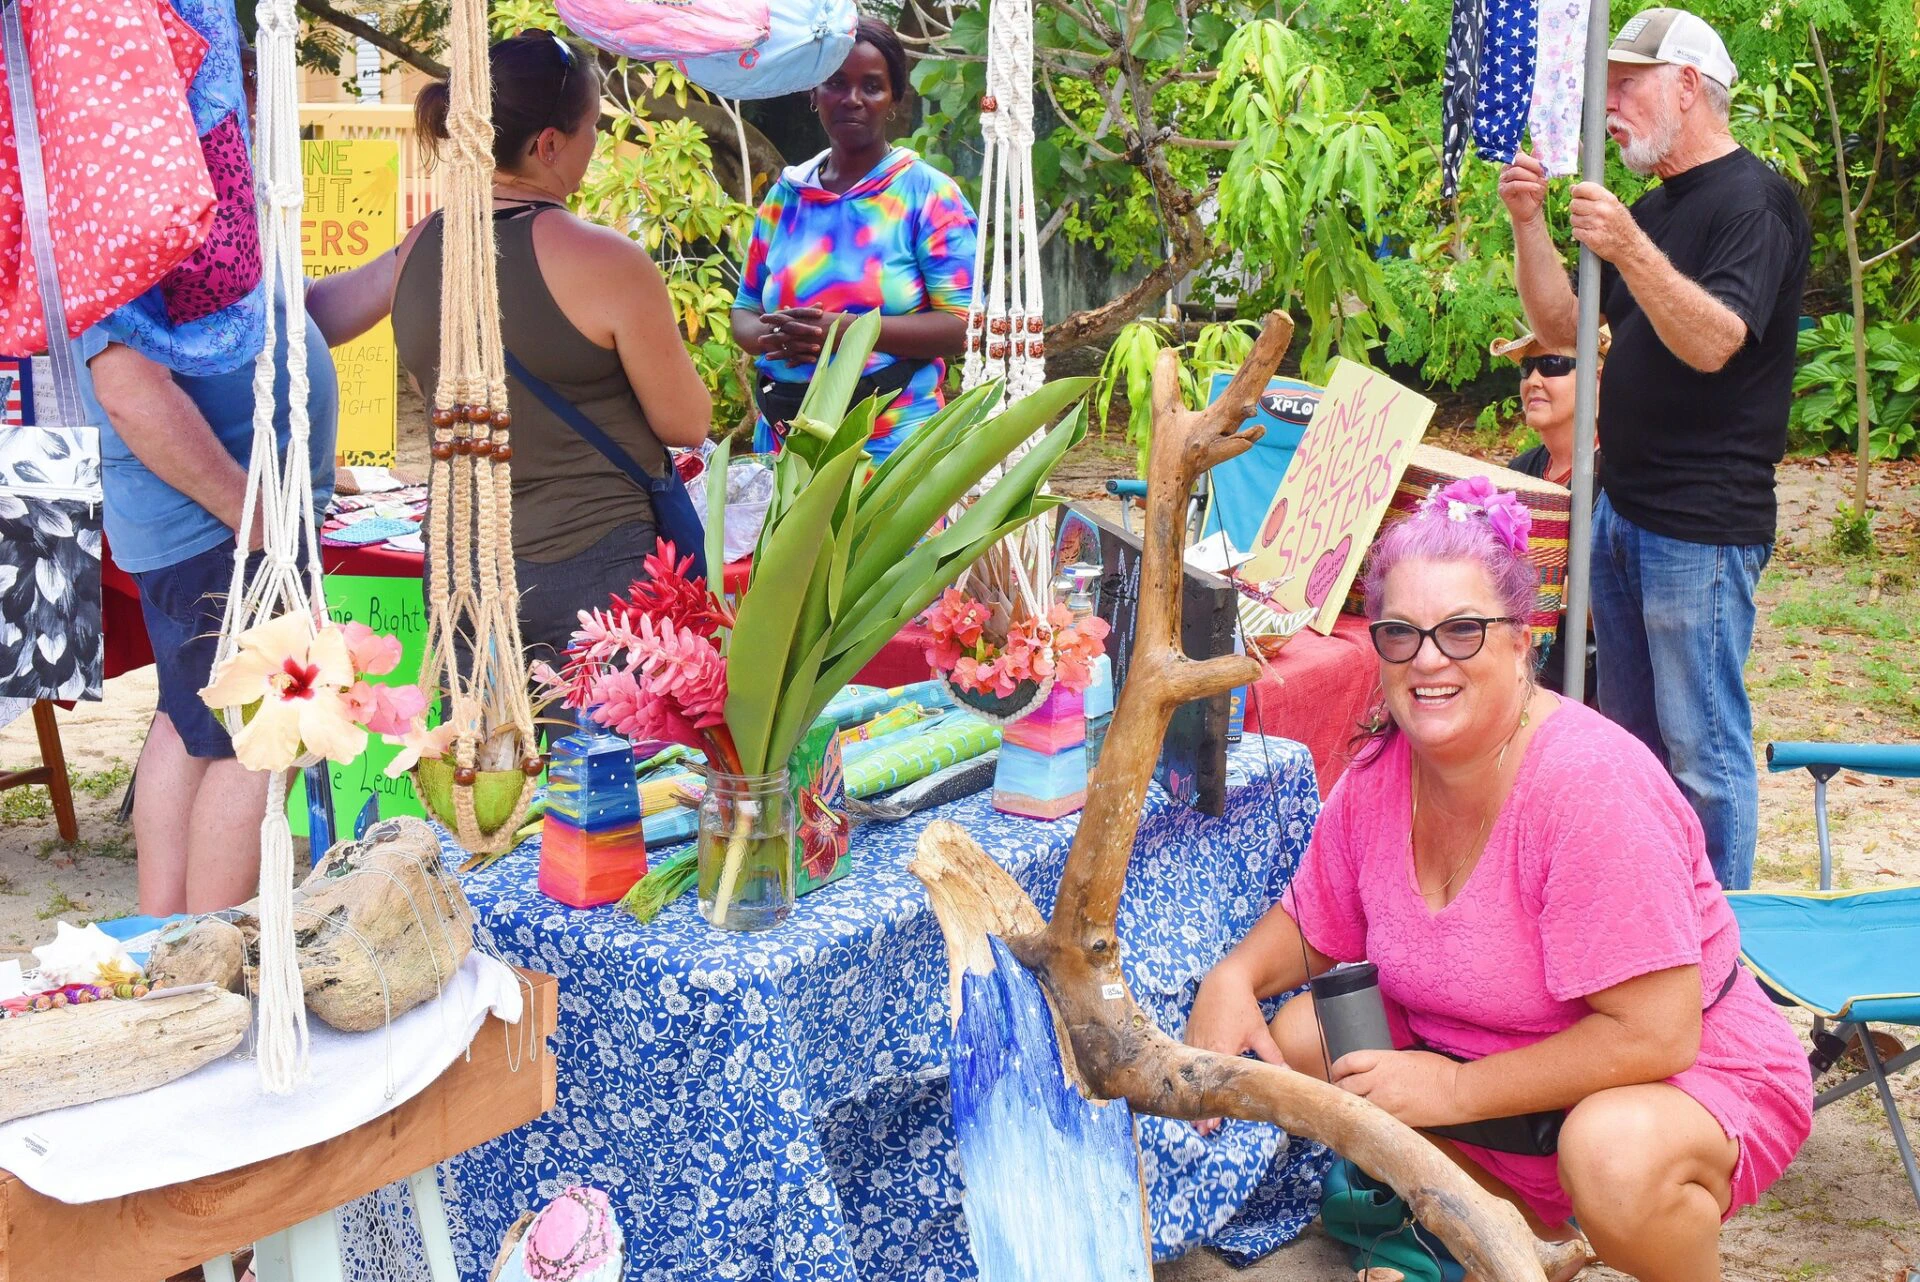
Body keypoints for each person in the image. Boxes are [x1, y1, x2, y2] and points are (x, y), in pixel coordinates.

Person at [1185, 481, 1813, 1282]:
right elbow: (1318, 926)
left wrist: (1450, 1089)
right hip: (1491, 1060)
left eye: (1462, 631)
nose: (1429, 660)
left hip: (1672, 1076)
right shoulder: (1383, 771)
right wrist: (1231, 979)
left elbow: (1658, 1032)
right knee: (1311, 1035)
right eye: (1401, 635)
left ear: (1523, 642)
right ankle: (1514, 1245)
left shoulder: (1588, 784)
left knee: (1612, 1157)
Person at [1498, 7, 1810, 890]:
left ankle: (1726, 965)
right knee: (1629, 745)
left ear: (1687, 86)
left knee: (1702, 751)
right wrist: (1530, 223)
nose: (1609, 109)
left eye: (1626, 86)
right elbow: (1564, 327)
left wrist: (1631, 248)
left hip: (1700, 526)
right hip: (1623, 510)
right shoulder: (1654, 207)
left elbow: (1715, 340)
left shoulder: (1757, 202)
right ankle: (1646, 924)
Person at [79, 263, 393, 915]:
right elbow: (128, 388)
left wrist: (403, 262)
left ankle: (168, 944)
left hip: (231, 518)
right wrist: (252, 519)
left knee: (191, 716)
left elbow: (288, 317)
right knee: (258, 734)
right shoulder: (135, 193)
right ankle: (207, 960)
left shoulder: (208, 198)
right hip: (219, 518)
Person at [393, 31, 713, 667]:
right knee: (601, 762)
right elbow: (687, 422)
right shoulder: (607, 260)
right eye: (593, 127)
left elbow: (323, 312)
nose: (595, 145)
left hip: (461, 561)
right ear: (548, 145)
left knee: (485, 761)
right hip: (594, 566)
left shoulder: (420, 246)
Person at [729, 18, 977, 463]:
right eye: (836, 83)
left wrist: (840, 334)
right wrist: (778, 337)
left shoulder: (927, 196)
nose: (852, 99)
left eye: (872, 86)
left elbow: (962, 328)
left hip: (889, 450)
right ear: (813, 92)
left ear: (894, 100)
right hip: (785, 444)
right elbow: (745, 309)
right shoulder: (786, 197)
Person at [1491, 327, 1606, 701]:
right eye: (1527, 368)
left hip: (1595, 684)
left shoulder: (1624, 474)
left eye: (1553, 364)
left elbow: (1616, 597)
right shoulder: (1519, 471)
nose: (1534, 380)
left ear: (1599, 378)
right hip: (1517, 668)